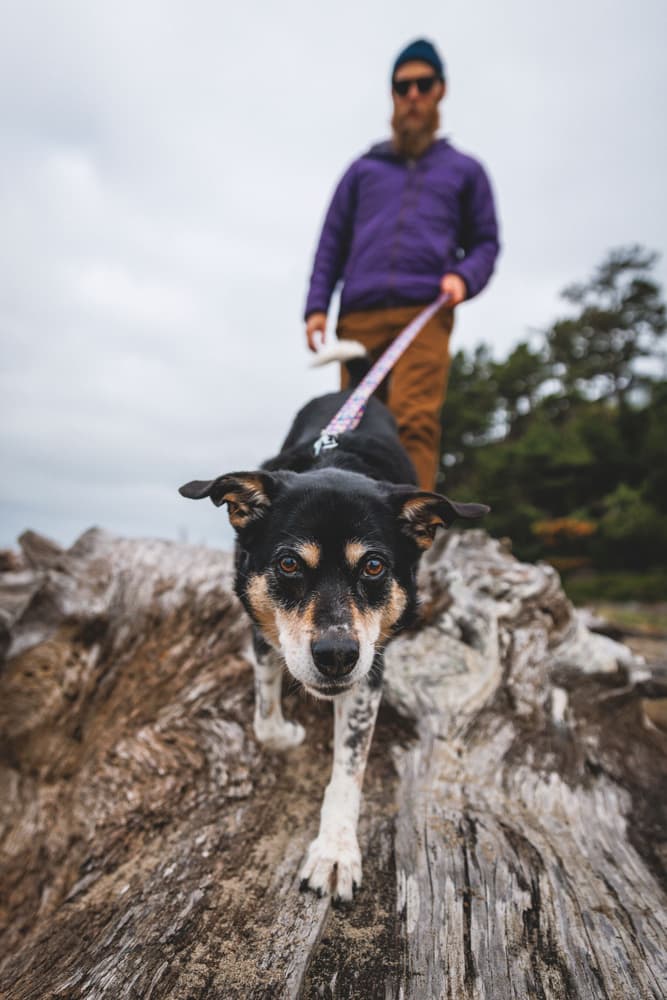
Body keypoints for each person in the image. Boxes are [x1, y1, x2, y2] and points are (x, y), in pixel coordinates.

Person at [303, 38, 500, 491]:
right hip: (359, 316)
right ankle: (350, 526)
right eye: (403, 86)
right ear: (392, 94)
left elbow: (487, 242)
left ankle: (409, 539)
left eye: (423, 84)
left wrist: (463, 277)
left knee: (414, 422)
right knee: (350, 424)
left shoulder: (465, 170)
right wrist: (317, 306)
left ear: (440, 91)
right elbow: (331, 240)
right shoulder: (362, 170)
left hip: (425, 313)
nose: (412, 95)